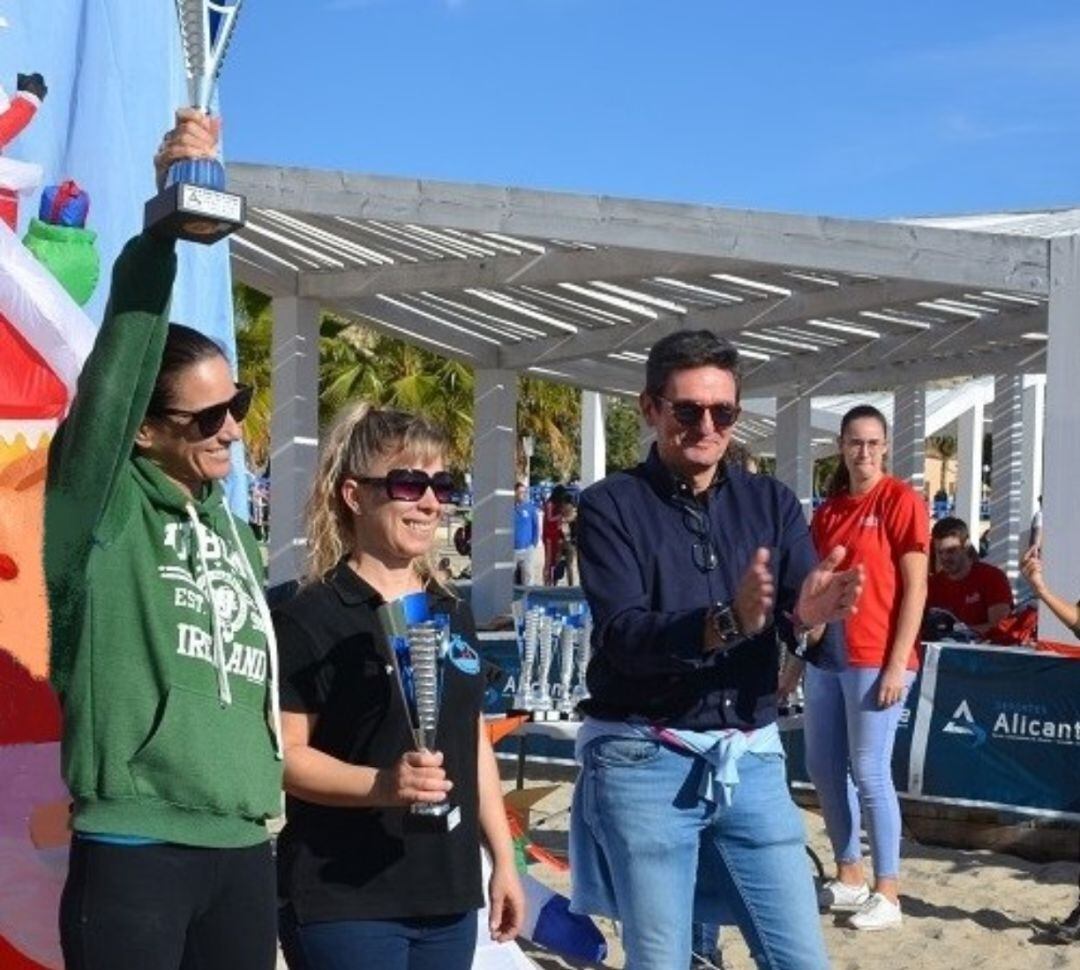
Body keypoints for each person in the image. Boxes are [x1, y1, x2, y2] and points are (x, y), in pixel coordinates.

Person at [46, 111, 283, 970]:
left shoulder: (229, 527)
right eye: (206, 415)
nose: (229, 429)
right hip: (134, 847)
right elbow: (119, 362)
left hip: (241, 845)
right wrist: (166, 225)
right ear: (142, 431)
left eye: (239, 403)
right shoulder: (98, 511)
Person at [569, 330, 863, 970]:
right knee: (662, 961)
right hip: (642, 755)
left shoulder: (772, 502)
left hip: (750, 756)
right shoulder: (609, 506)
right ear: (650, 408)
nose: (706, 426)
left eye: (723, 412)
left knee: (801, 960)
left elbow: (799, 621)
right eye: (687, 410)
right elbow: (622, 635)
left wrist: (808, 620)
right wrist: (725, 621)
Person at [273, 403, 524, 970]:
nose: (430, 501)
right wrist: (384, 784)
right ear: (354, 496)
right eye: (409, 483)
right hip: (345, 899)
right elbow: (285, 758)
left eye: (441, 484)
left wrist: (503, 860)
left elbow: (473, 741)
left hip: (447, 895)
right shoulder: (309, 614)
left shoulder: (449, 610)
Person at [800, 404, 929, 931]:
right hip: (829, 655)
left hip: (878, 656)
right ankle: (849, 874)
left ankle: (889, 891)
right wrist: (798, 656)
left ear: (886, 446)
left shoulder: (901, 500)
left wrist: (899, 663)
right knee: (822, 768)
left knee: (870, 770)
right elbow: (815, 591)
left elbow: (917, 586)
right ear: (841, 446)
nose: (864, 452)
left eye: (874, 442)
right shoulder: (829, 511)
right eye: (855, 442)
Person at [927, 516, 1012, 637]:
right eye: (940, 552)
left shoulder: (992, 577)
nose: (944, 558)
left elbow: (1000, 626)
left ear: (966, 546)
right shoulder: (933, 584)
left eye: (951, 551)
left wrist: (956, 633)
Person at [512, 480, 540, 585]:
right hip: (512, 550)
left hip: (527, 549)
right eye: (519, 492)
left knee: (528, 578)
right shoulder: (507, 508)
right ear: (514, 493)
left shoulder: (530, 508)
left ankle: (527, 600)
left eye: (524, 492)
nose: (522, 495)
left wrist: (534, 544)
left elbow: (536, 527)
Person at [542, 484, 568, 585]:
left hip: (557, 533)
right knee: (548, 560)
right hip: (549, 534)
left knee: (556, 559)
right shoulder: (550, 503)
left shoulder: (558, 504)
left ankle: (554, 581)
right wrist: (560, 516)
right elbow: (549, 518)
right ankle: (546, 582)